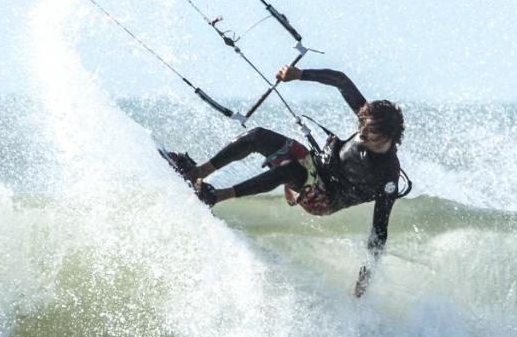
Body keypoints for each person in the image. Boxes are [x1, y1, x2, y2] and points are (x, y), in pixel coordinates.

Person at [165, 65, 405, 297]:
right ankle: (197, 172)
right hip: (316, 165)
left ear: (389, 136)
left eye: (369, 135)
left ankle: (215, 196)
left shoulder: (388, 176)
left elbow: (379, 231)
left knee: (290, 170)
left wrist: (365, 277)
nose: (361, 136)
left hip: (324, 199)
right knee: (257, 136)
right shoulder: (371, 120)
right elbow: (341, 80)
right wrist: (299, 74)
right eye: (361, 128)